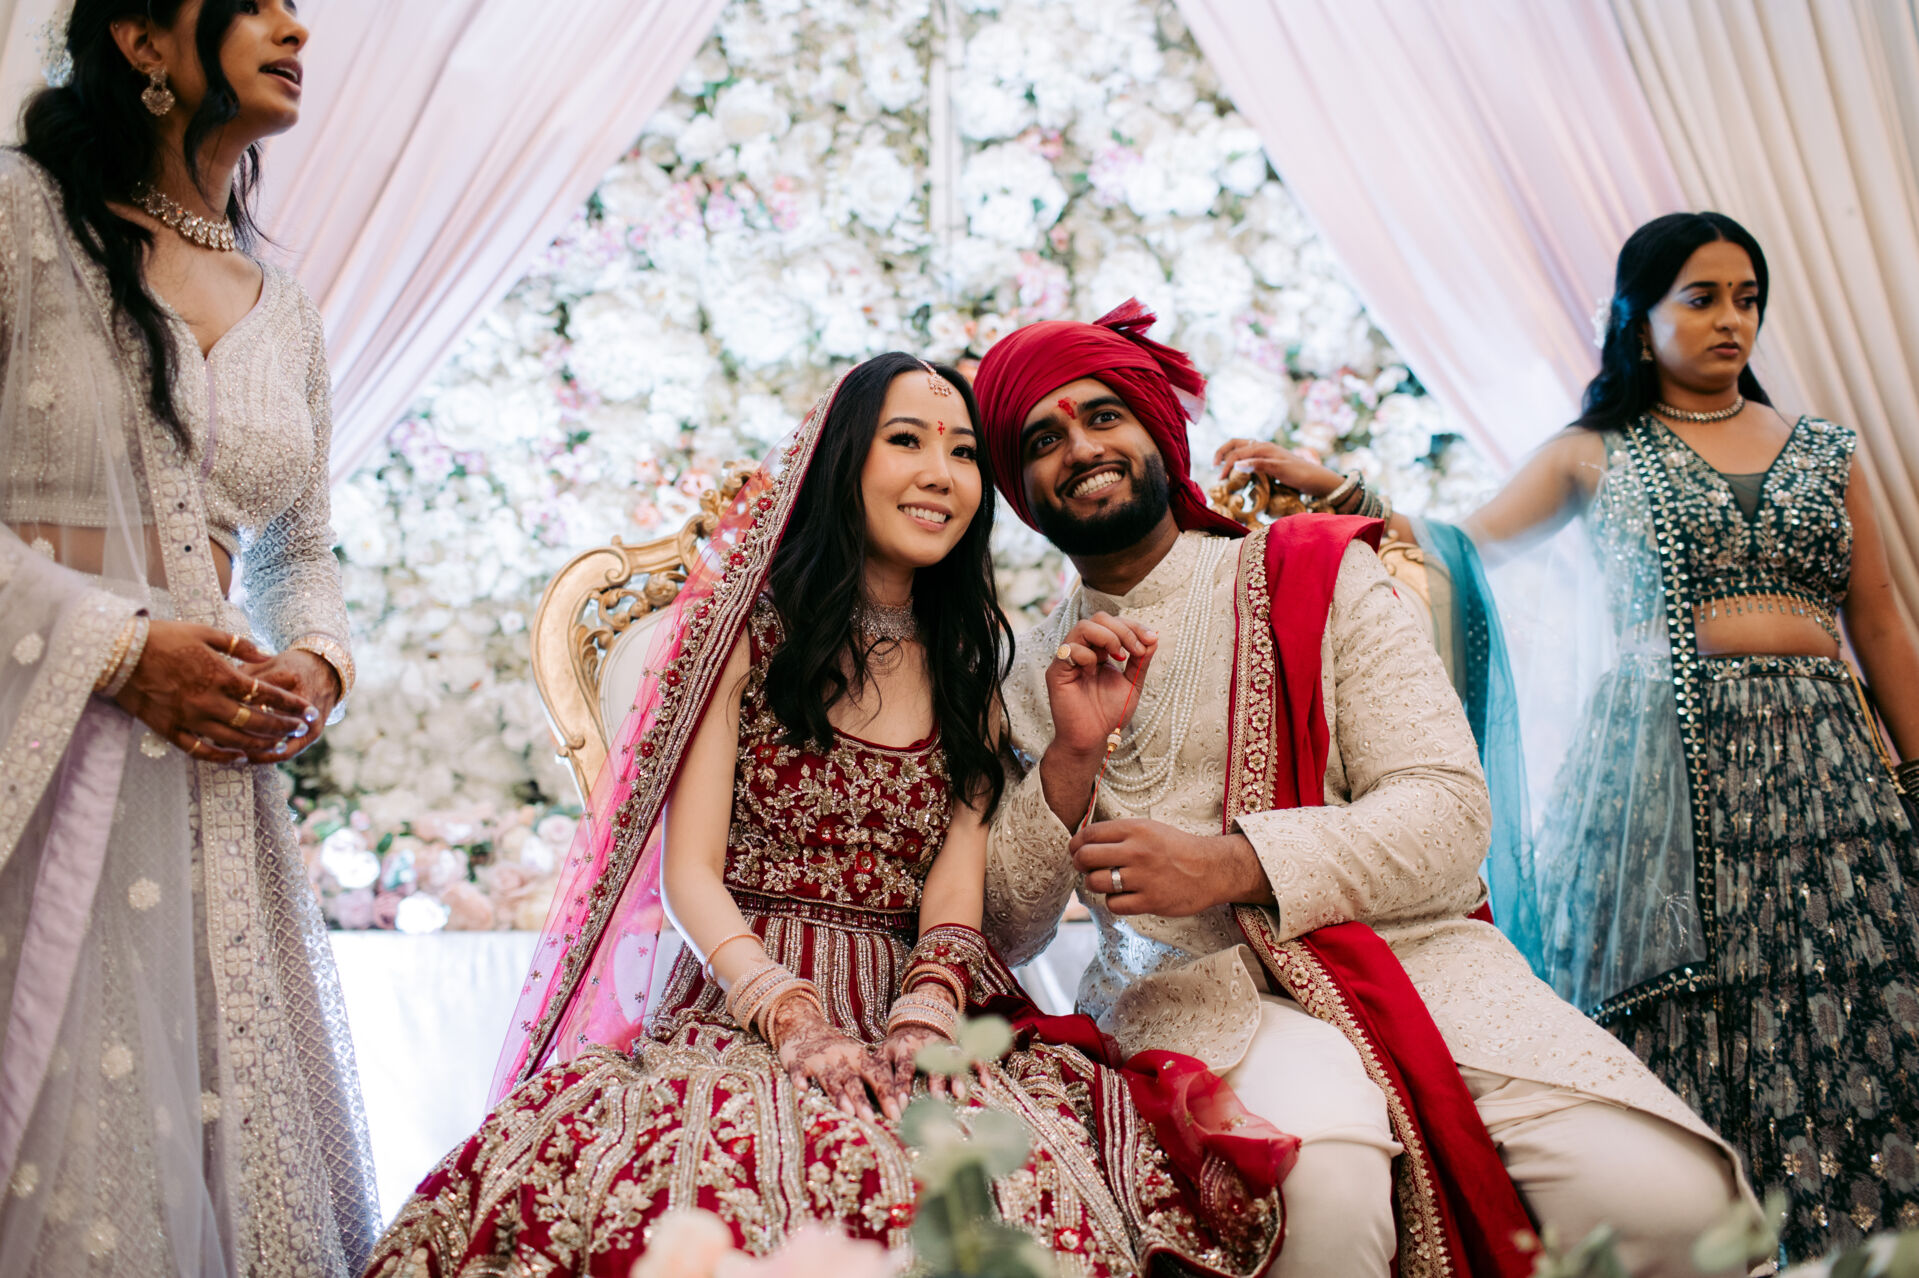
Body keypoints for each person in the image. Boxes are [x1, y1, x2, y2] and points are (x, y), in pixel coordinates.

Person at [366, 354, 1294, 1277]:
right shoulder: (740, 639)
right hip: (743, 1000)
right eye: (906, 441)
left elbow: (956, 880)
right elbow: (687, 875)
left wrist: (928, 1010)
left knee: (1004, 1184)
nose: (939, 474)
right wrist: (790, 1018)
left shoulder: (968, 668)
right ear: (840, 461)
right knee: (763, 1174)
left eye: (963, 453)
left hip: (915, 998)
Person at [974, 301, 1757, 1278]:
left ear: (1158, 433)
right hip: (1186, 995)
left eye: (1102, 416)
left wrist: (1229, 864)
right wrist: (1069, 761)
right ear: (1018, 489)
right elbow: (1004, 930)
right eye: (1040, 441)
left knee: (1675, 1205)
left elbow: (1446, 813)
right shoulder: (1023, 677)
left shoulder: (1313, 574)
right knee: (1318, 1192)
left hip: (1416, 958)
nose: (1081, 449)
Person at [1220, 212, 1919, 1256]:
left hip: (1826, 769)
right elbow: (1456, 552)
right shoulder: (1595, 452)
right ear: (1636, 321)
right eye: (1700, 298)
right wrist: (1347, 496)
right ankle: (1715, 1243)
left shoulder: (1824, 451)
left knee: (1854, 997)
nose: (1730, 320)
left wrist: (1914, 771)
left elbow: (1880, 618)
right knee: (1703, 1011)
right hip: (1663, 780)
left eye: (1746, 299)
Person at [0, 1, 378, 1275]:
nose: (295, 28)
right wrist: (117, 649)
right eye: (254, 1)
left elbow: (298, 551)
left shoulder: (289, 310)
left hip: (210, 782)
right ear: (143, 39)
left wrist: (315, 666)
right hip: (32, 748)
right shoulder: (19, 219)